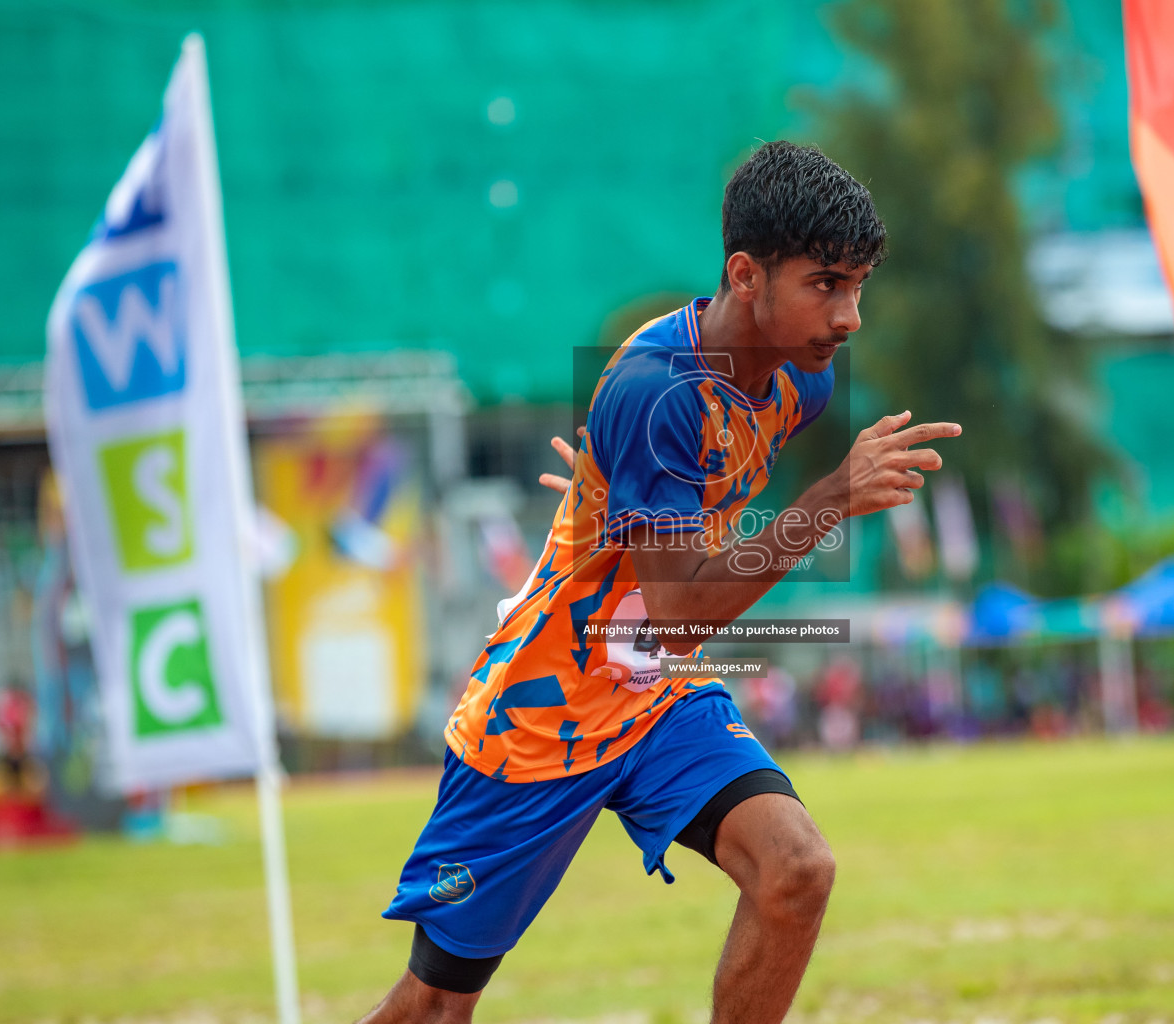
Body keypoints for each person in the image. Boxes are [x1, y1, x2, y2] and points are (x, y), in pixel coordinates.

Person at [358, 140, 960, 1024]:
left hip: (651, 698)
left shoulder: (800, 382)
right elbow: (678, 614)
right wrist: (826, 501)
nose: (850, 316)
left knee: (796, 870)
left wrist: (618, 500)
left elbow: (688, 518)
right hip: (540, 715)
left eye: (858, 285)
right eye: (827, 284)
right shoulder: (655, 391)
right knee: (435, 1009)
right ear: (746, 276)